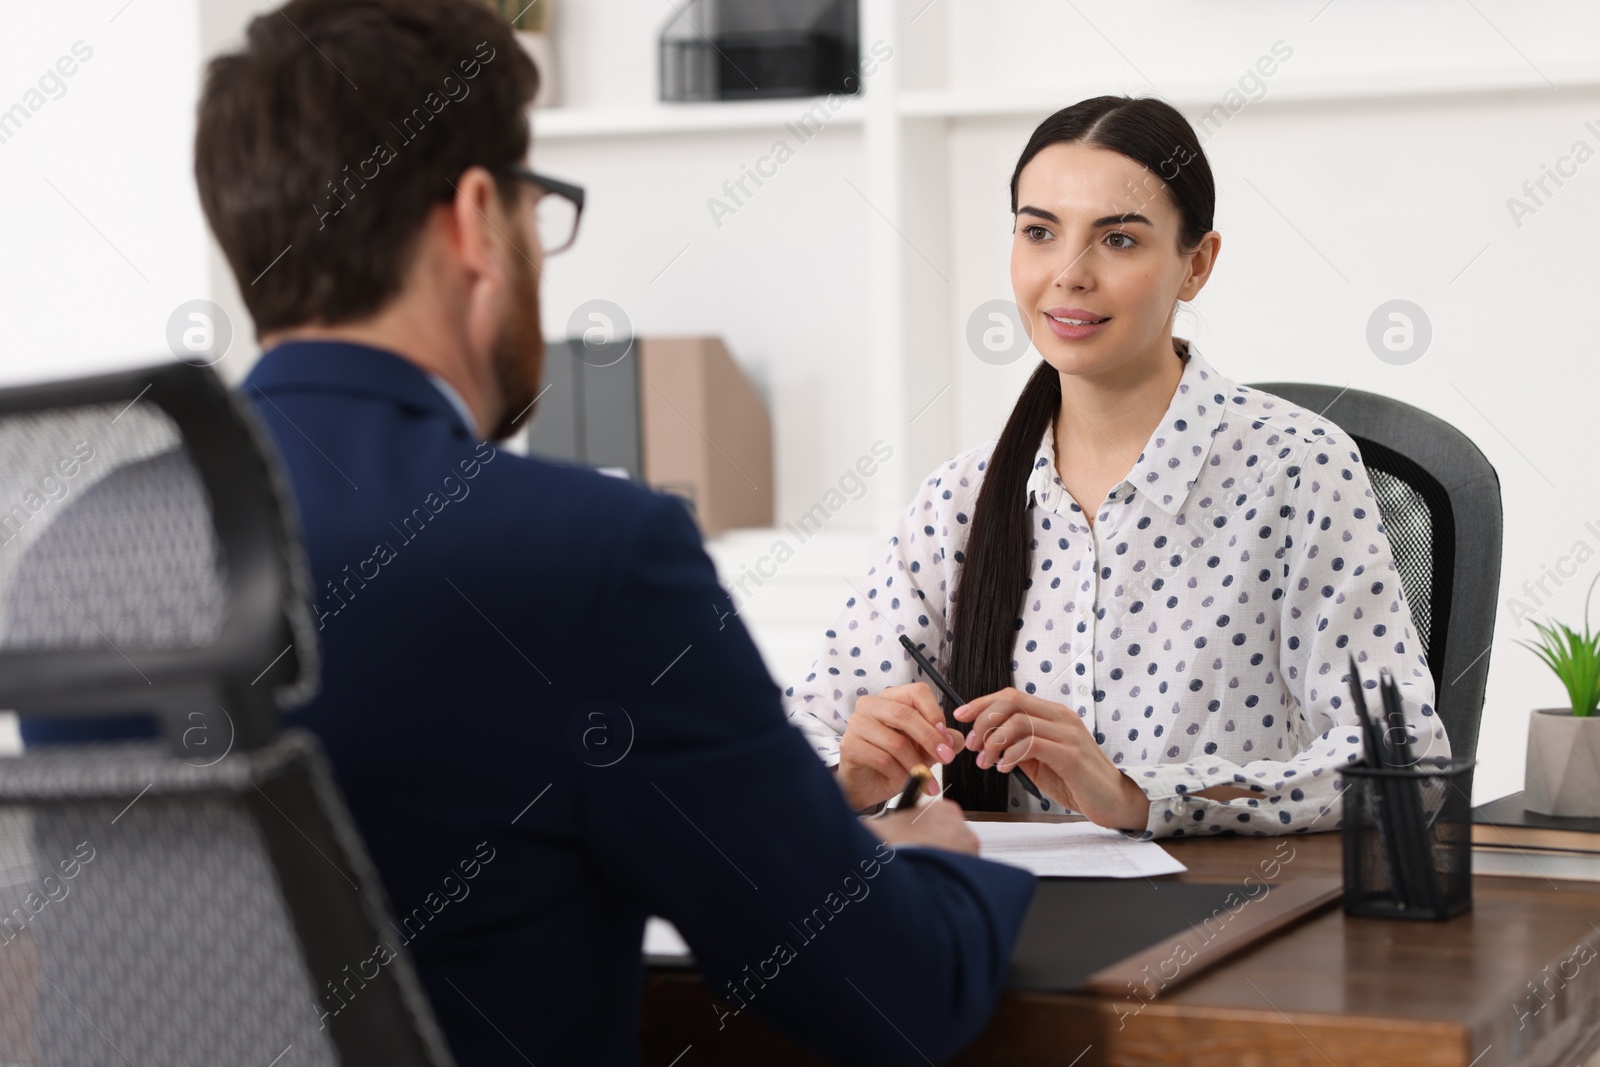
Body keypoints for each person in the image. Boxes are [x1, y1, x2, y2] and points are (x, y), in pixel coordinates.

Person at [22, 1, 1034, 1063]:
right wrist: (940, 859)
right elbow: (888, 990)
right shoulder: (585, 553)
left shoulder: (74, 558)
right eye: (530, 206)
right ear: (473, 220)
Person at [784, 96, 1447, 839]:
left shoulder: (1298, 470)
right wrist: (848, 776)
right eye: (1039, 232)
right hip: (1017, 920)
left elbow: (1403, 760)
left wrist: (1141, 794)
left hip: (1230, 921)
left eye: (1119, 241)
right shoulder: (960, 501)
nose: (1068, 274)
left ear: (1196, 265)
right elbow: (796, 727)